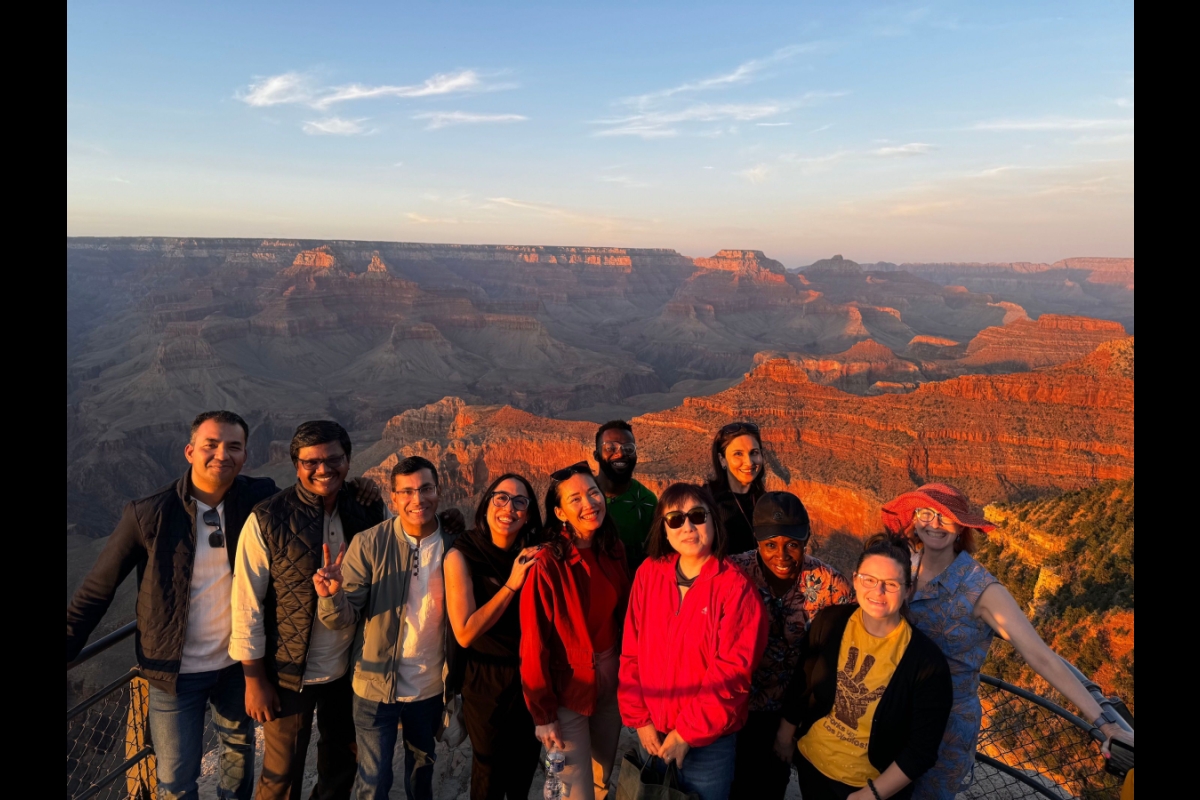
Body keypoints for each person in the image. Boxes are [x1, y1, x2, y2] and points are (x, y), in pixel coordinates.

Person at [66, 411, 277, 800]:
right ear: (190, 451)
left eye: (234, 446)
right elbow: (97, 590)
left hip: (238, 667)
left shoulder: (259, 498)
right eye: (211, 445)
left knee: (238, 761)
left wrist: (360, 495)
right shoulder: (148, 513)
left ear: (246, 454)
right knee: (176, 782)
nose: (222, 454)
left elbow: (312, 504)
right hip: (174, 674)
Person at [881, 484, 1136, 800]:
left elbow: (1040, 655)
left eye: (945, 517)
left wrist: (1104, 722)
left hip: (944, 728)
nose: (934, 524)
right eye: (926, 514)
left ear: (962, 527)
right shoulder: (905, 564)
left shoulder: (982, 589)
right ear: (915, 519)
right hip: (895, 707)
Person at [230, 420, 388, 800]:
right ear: (296, 465)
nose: (323, 469)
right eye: (310, 462)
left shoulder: (365, 509)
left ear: (349, 460)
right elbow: (246, 604)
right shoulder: (268, 519)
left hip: (351, 670)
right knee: (281, 775)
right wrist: (255, 680)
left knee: (341, 767)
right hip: (288, 675)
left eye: (333, 459)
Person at [313, 456, 460, 800]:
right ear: (393, 499)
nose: (417, 499)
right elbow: (342, 618)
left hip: (429, 687)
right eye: (406, 492)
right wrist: (332, 597)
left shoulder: (455, 545)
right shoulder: (369, 543)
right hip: (375, 685)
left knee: (422, 771)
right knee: (373, 778)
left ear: (439, 491)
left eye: (425, 489)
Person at [619, 483, 768, 800]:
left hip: (708, 744)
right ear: (664, 528)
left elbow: (731, 675)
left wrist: (686, 733)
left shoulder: (735, 589)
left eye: (697, 516)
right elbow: (631, 651)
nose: (687, 526)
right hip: (653, 735)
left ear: (714, 520)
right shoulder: (649, 574)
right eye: (675, 519)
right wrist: (640, 720)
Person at [775, 535, 952, 800]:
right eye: (869, 579)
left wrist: (869, 796)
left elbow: (921, 751)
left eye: (890, 584)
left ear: (908, 589)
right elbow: (802, 684)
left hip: (868, 787)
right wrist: (784, 736)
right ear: (855, 579)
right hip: (812, 766)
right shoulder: (830, 622)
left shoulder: (926, 663)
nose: (877, 592)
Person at [728, 491, 854, 799]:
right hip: (736, 706)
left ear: (807, 539)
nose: (782, 555)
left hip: (792, 710)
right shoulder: (733, 573)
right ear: (757, 540)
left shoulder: (830, 586)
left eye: (792, 545)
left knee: (771, 786)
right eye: (771, 544)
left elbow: (844, 649)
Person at [520, 461, 631, 800]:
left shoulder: (613, 550)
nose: (589, 504)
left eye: (593, 492)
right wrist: (543, 714)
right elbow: (533, 643)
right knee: (569, 788)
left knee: (602, 778)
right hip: (568, 688)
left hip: (612, 679)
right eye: (575, 499)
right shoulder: (546, 564)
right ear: (559, 512)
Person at [444, 473, 545, 800]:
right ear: (485, 505)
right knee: (488, 774)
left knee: (523, 771)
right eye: (501, 498)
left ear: (528, 513)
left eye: (520, 501)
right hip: (486, 682)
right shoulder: (462, 554)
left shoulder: (532, 551)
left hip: (529, 677)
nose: (509, 508)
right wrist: (512, 584)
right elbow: (464, 632)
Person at [592, 420, 658, 570]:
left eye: (629, 448)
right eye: (611, 448)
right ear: (596, 455)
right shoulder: (583, 498)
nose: (621, 454)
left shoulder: (647, 502)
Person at [706, 421, 765, 555]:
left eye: (754, 453)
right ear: (722, 460)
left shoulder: (766, 501)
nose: (749, 462)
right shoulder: (708, 503)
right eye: (738, 454)